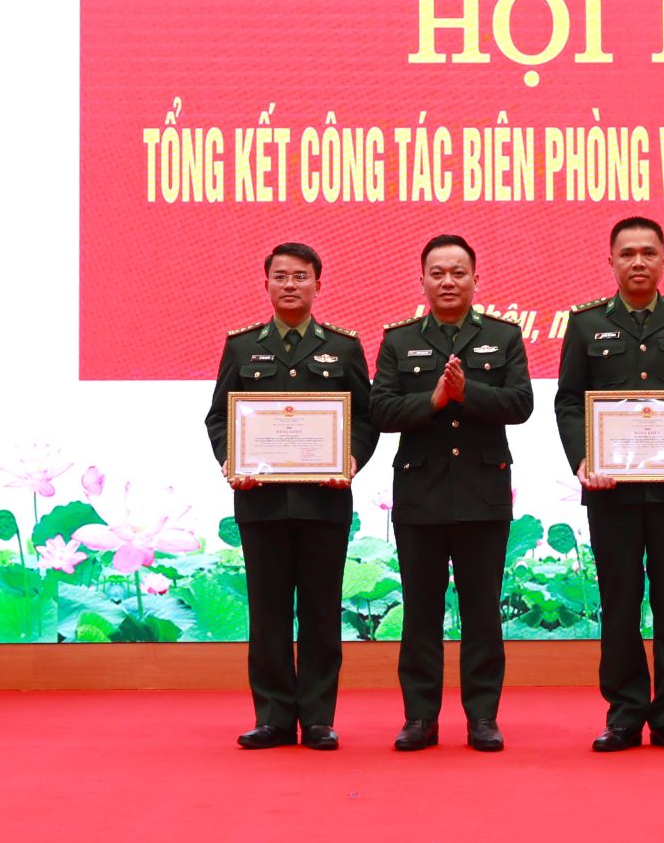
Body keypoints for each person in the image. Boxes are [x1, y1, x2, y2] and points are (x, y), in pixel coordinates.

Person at [554, 216, 664, 753]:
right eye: (627, 253)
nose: (638, 262)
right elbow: (568, 401)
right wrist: (584, 459)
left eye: (648, 253)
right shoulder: (586, 325)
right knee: (620, 604)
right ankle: (625, 714)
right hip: (612, 492)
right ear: (610, 261)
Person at [204, 243, 378, 751]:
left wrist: (351, 459)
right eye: (280, 276)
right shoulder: (242, 347)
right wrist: (231, 461)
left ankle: (318, 719)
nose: (290, 285)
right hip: (261, 503)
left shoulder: (343, 347)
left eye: (300, 276)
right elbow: (219, 417)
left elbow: (365, 417)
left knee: (322, 613)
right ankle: (274, 718)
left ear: (318, 284)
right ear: (266, 284)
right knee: (269, 614)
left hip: (324, 503)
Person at [371, 234, 532, 752]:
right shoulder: (399, 340)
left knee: (482, 612)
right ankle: (420, 718)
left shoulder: (504, 336)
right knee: (420, 613)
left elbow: (521, 403)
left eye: (458, 272)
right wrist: (435, 400)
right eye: (437, 272)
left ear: (475, 279)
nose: (447, 281)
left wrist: (469, 393)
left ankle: (482, 717)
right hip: (420, 494)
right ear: (422, 280)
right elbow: (381, 410)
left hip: (483, 494)